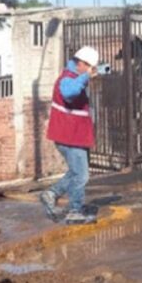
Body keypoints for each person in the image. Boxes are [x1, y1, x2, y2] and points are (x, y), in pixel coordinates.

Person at [40, 46, 101, 225]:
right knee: (81, 175)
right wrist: (85, 77)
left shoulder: (74, 77)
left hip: (75, 135)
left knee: (77, 172)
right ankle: (74, 211)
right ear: (81, 63)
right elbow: (69, 93)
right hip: (70, 136)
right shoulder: (67, 78)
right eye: (89, 66)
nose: (91, 70)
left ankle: (51, 194)